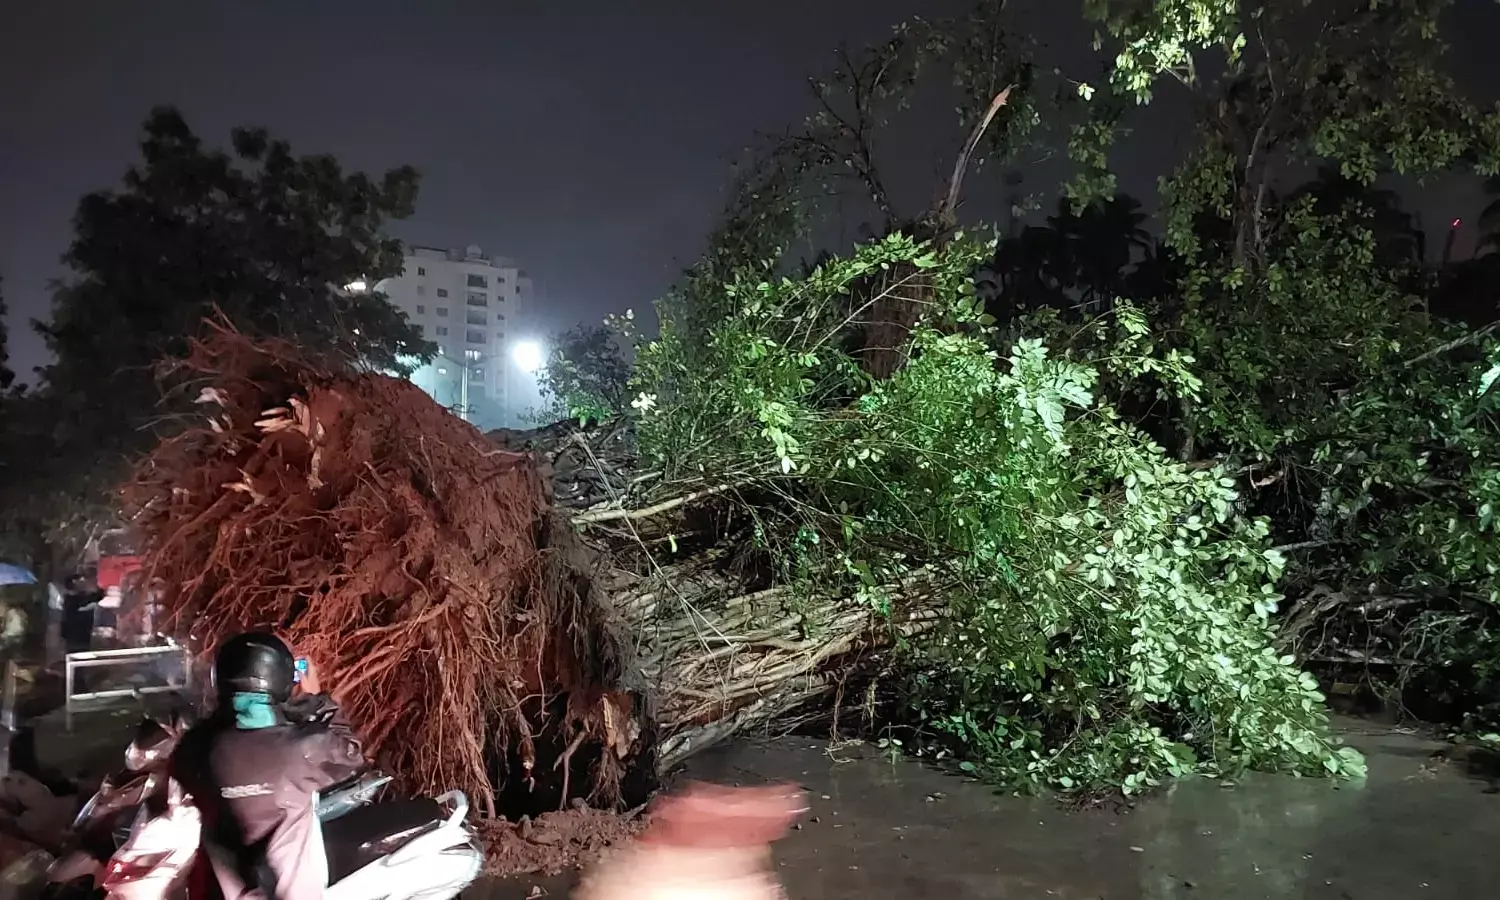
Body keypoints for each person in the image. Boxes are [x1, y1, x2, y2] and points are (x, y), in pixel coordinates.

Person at [172, 632, 364, 900]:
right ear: (283, 682)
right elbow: (351, 753)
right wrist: (317, 700)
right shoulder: (300, 750)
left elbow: (220, 733)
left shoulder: (193, 750)